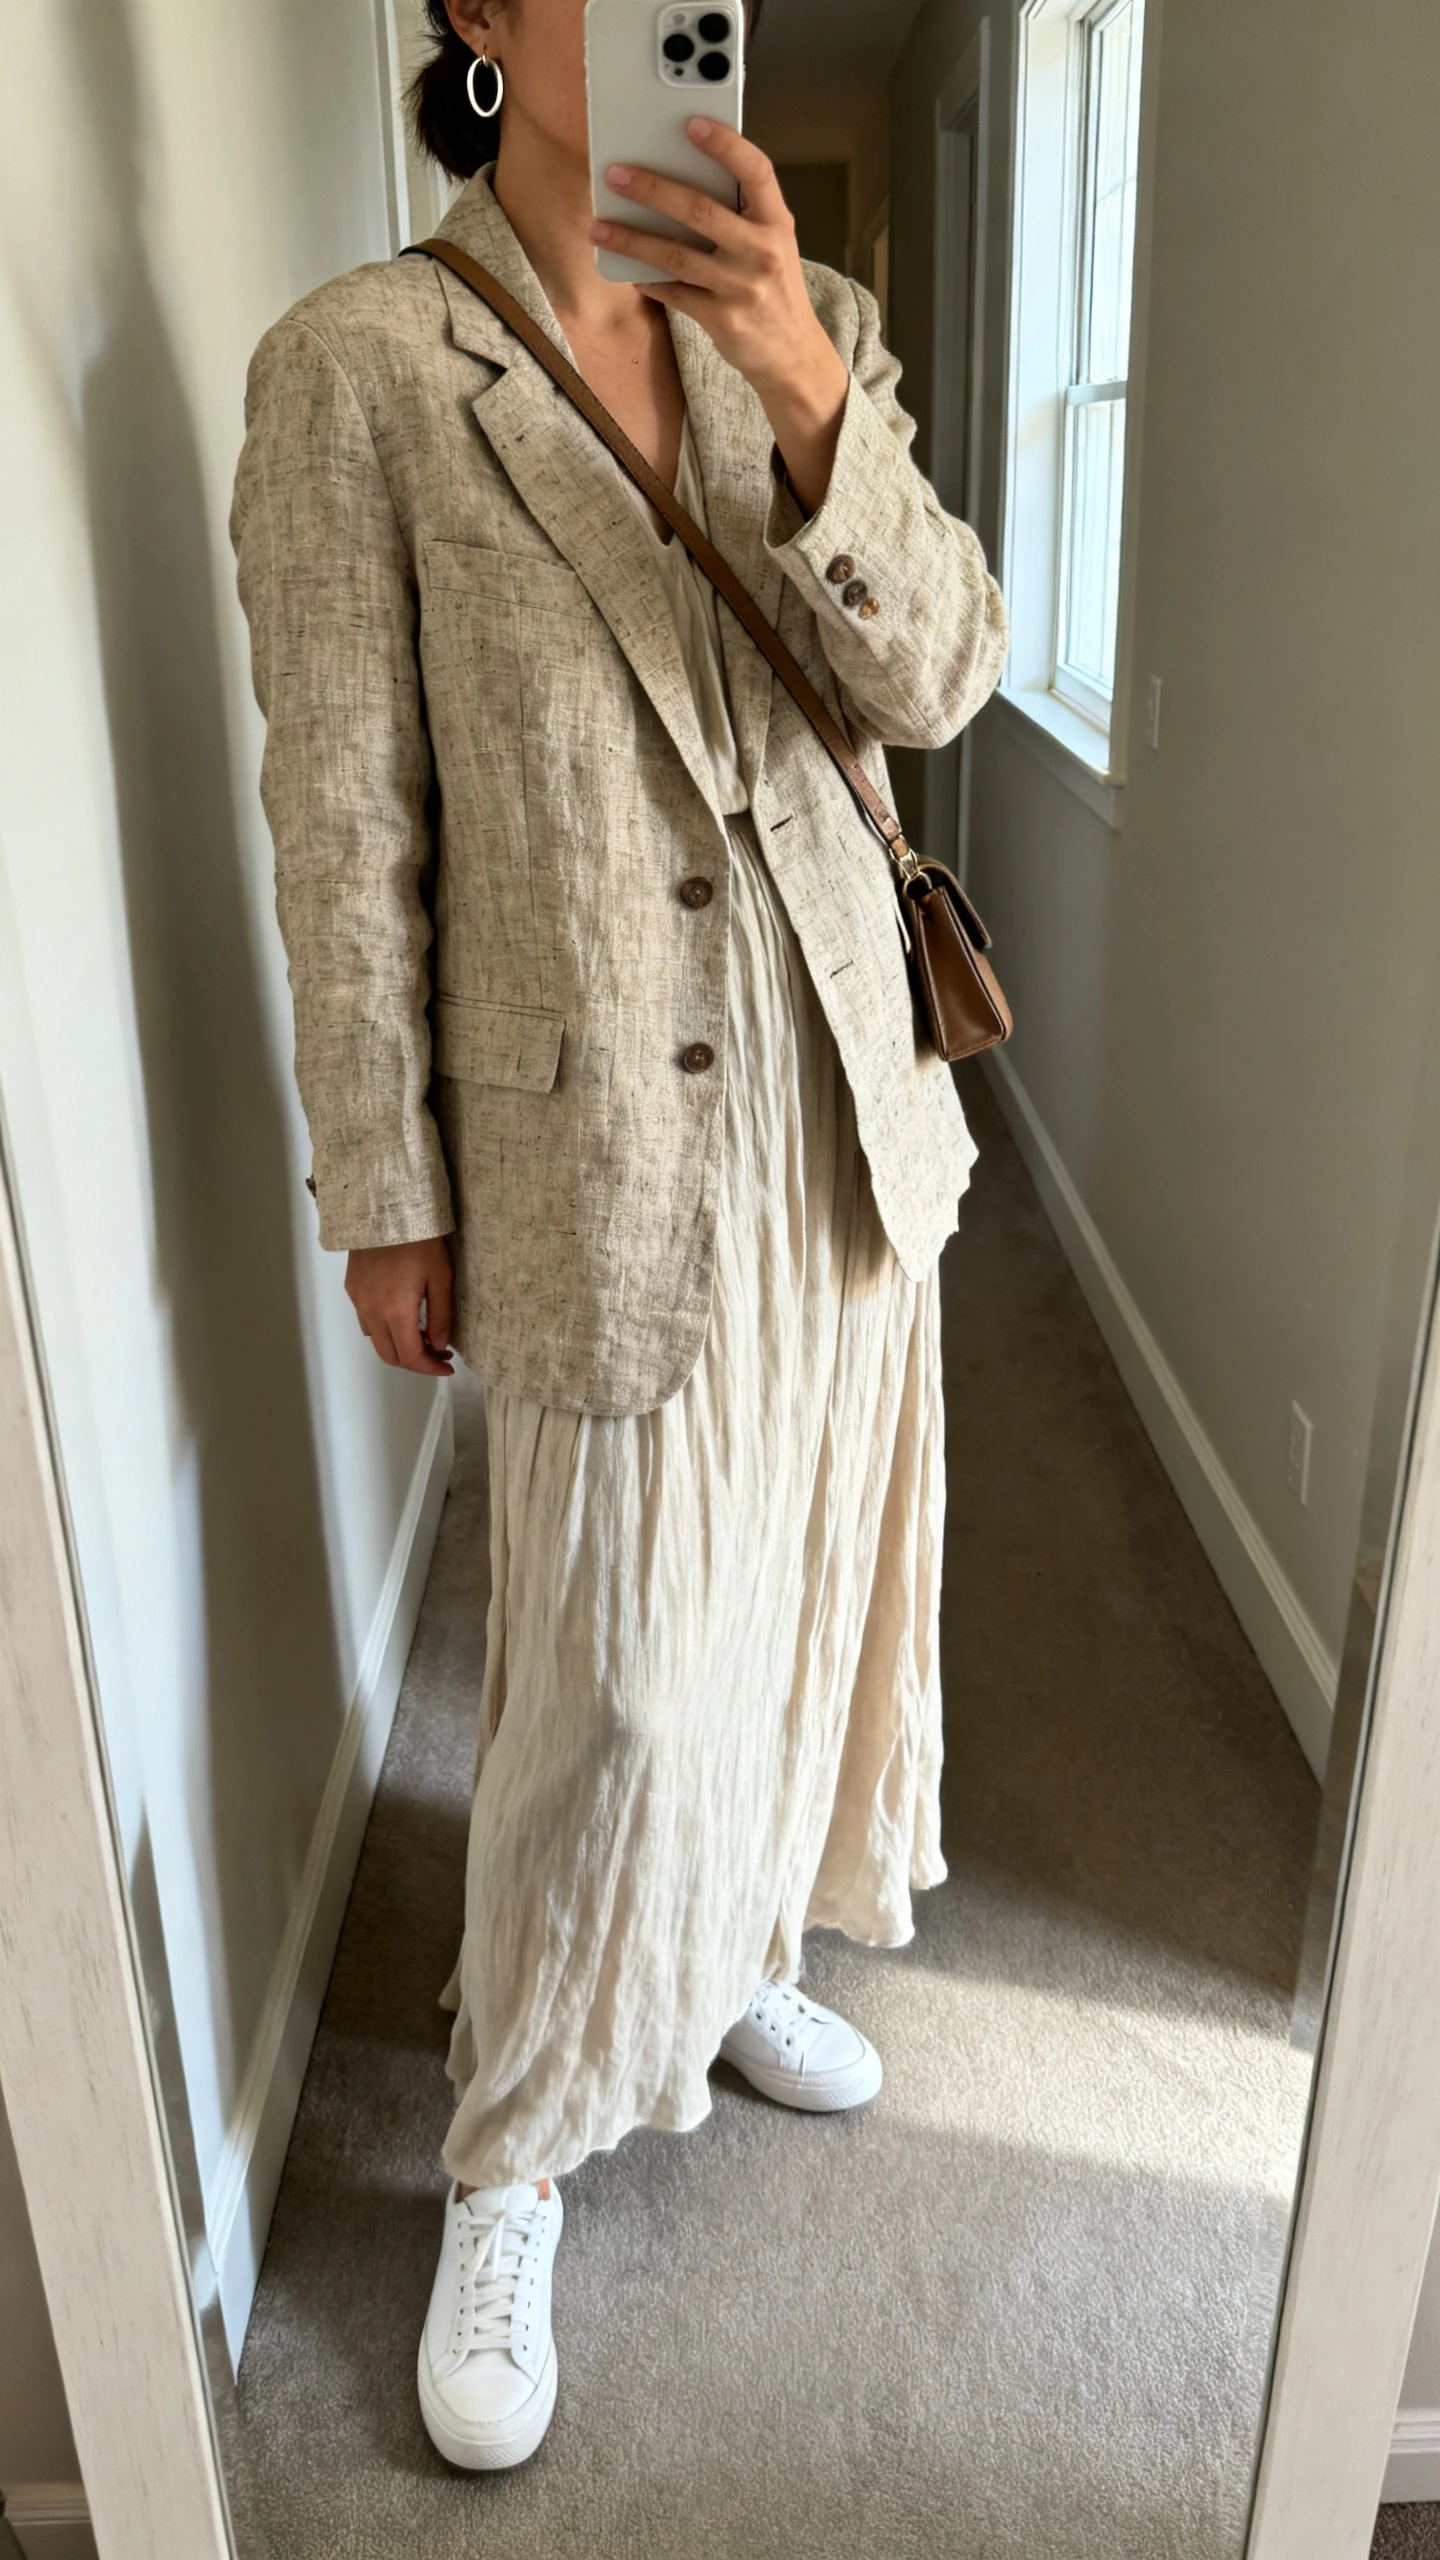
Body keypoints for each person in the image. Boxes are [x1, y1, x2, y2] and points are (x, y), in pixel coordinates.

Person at [230, 0, 1008, 2475]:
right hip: (589, 1131)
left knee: (795, 1578)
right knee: (620, 1669)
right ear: (476, 11)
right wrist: (385, 1182)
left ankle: (732, 1951)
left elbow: (943, 670)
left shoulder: (819, 325)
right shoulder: (355, 364)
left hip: (831, 1094)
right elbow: (346, 822)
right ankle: (521, 2126)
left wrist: (792, 371)